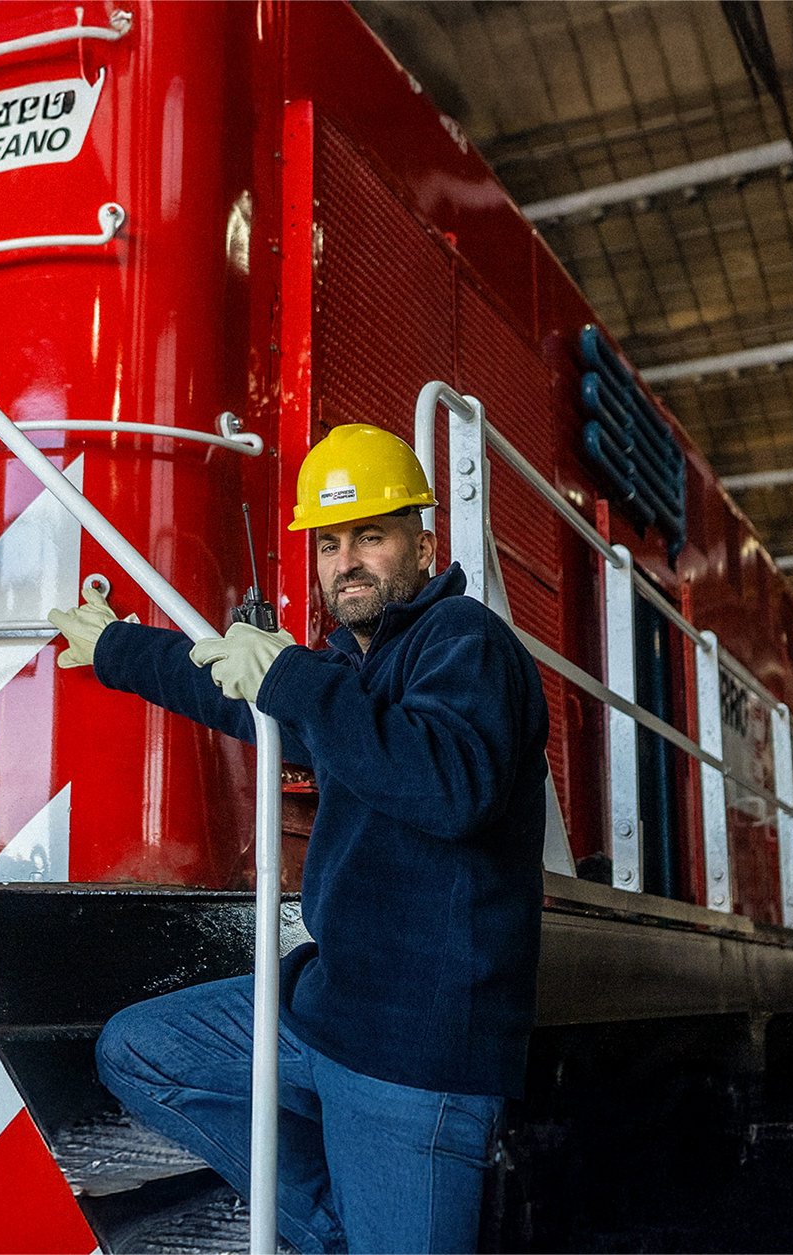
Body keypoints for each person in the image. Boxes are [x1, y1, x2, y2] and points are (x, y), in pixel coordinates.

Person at [47, 423, 550, 1254]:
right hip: (328, 1009)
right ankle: (332, 1234)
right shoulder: (353, 672)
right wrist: (117, 647)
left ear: (424, 545)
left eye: (371, 536)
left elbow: (448, 784)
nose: (345, 561)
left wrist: (295, 680)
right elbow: (235, 693)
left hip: (415, 1055)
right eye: (329, 543)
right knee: (141, 1050)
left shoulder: (466, 640)